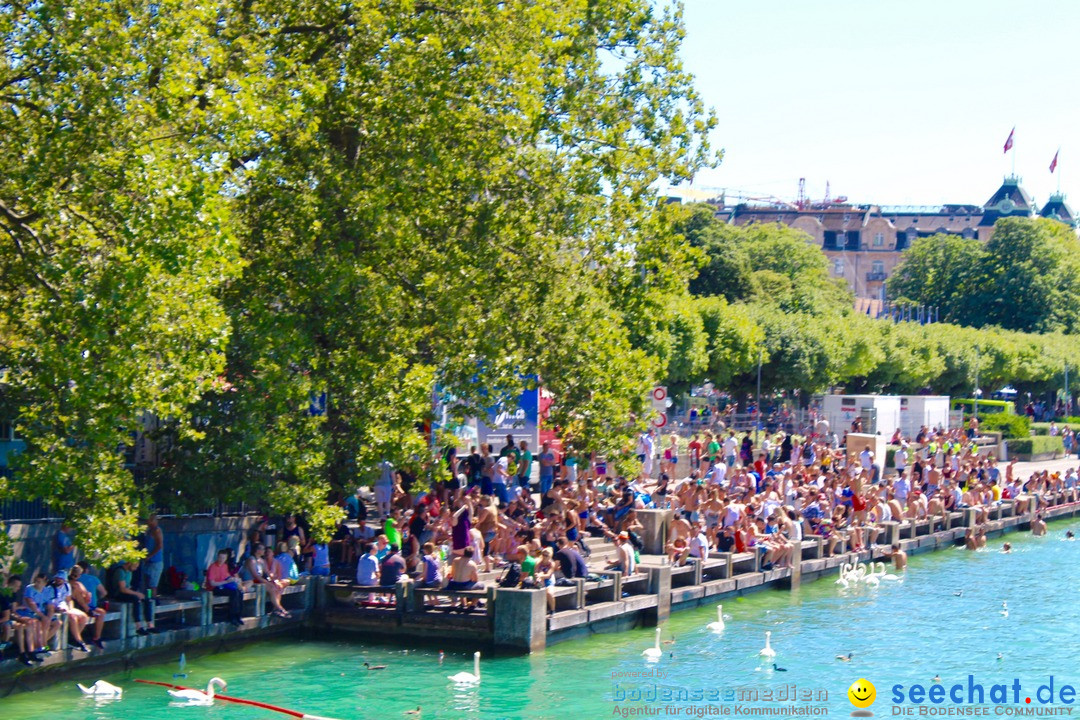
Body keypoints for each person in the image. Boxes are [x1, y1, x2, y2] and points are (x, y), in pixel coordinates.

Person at [110, 560, 157, 635]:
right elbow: (122, 589)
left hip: (128, 591)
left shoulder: (129, 572)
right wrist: (137, 594)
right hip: (119, 594)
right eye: (135, 566)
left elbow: (129, 586)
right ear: (129, 563)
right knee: (136, 599)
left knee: (147, 599)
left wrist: (139, 593)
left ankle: (150, 625)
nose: (135, 569)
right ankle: (138, 626)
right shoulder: (120, 571)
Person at [206, 549, 244, 626]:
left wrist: (234, 580)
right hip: (214, 588)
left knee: (239, 592)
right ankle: (232, 616)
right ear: (217, 557)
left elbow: (227, 576)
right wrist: (225, 582)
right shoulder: (213, 567)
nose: (221, 560)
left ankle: (238, 615)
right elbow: (212, 583)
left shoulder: (225, 566)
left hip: (223, 586)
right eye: (220, 557)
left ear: (226, 558)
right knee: (233, 593)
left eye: (223, 558)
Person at [143, 514, 165, 597]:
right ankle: (147, 599)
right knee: (147, 583)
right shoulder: (149, 531)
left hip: (155, 561)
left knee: (153, 585)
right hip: (148, 562)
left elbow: (159, 545)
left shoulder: (157, 531)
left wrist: (150, 556)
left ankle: (152, 600)